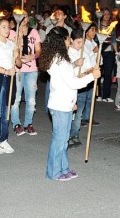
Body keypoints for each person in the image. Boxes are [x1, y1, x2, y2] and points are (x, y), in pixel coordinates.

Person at [40, 26, 100, 181]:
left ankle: (63, 168)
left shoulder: (60, 58)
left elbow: (64, 79)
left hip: (64, 103)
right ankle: (54, 172)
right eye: (67, 38)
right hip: (60, 105)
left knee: (63, 139)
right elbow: (73, 83)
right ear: (63, 40)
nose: (68, 41)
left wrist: (72, 101)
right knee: (59, 140)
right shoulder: (59, 60)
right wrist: (92, 76)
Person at [0, 17, 22, 154]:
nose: (7, 29)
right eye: (3, 27)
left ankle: (3, 140)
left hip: (10, 79)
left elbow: (18, 64)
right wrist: (6, 71)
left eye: (8, 27)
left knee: (6, 111)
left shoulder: (12, 44)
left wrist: (17, 55)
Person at [10, 11, 41, 136]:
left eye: (25, 16)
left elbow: (39, 50)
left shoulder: (34, 32)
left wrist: (32, 56)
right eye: (20, 16)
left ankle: (28, 123)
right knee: (16, 98)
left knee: (31, 99)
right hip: (17, 69)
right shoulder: (12, 32)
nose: (23, 18)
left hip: (31, 69)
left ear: (28, 18)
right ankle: (16, 123)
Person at [67, 27, 96, 148]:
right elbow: (66, 71)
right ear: (71, 40)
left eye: (82, 42)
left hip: (83, 86)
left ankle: (75, 134)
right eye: (78, 42)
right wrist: (77, 70)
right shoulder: (67, 53)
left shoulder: (84, 52)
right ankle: (66, 136)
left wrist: (90, 72)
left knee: (79, 112)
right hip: (71, 87)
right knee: (69, 112)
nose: (80, 45)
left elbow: (89, 68)